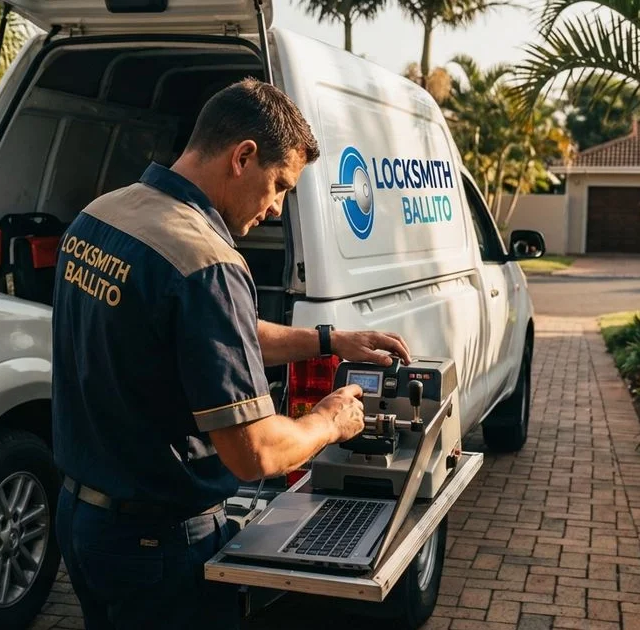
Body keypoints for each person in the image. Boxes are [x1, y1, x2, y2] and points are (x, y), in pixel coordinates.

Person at [50, 77, 413, 630]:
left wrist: (327, 341)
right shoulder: (206, 262)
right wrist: (328, 421)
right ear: (243, 156)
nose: (275, 209)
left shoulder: (103, 215)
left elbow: (203, 338)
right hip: (160, 546)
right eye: (280, 185)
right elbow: (255, 453)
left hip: (83, 521)